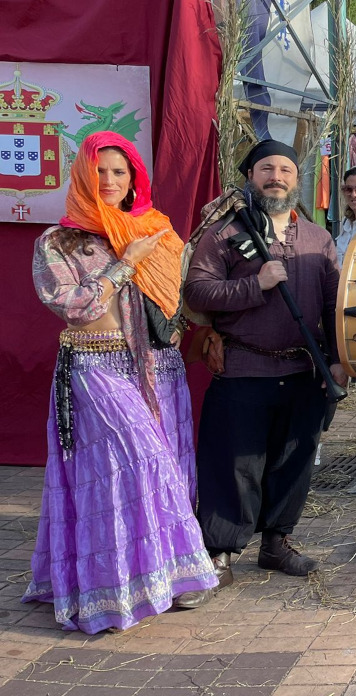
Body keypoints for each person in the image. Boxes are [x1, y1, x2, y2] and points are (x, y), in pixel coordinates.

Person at [24, 132, 218, 633]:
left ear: (134, 179)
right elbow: (72, 306)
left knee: (168, 469)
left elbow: (181, 302)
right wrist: (125, 262)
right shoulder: (58, 241)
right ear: (84, 176)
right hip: (94, 366)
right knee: (127, 468)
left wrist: (191, 329)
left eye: (119, 171)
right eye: (100, 171)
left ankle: (163, 579)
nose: (109, 181)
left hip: (158, 367)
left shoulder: (158, 232)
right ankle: (110, 589)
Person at [185, 139, 346, 590]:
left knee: (293, 462)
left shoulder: (318, 237)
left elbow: (335, 304)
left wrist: (338, 361)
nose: (276, 177)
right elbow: (196, 292)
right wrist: (254, 285)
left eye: (286, 170)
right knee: (234, 463)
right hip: (242, 369)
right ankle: (220, 550)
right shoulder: (224, 233)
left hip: (303, 371)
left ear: (298, 179)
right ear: (250, 178)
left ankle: (277, 542)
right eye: (266, 169)